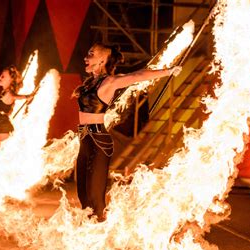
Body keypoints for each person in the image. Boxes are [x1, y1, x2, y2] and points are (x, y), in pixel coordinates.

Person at [73, 43, 182, 222]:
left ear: (102, 60)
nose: (86, 57)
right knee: (83, 195)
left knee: (94, 198)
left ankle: (97, 232)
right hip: (85, 138)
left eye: (91, 54)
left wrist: (168, 71)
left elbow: (138, 75)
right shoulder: (90, 82)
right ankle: (88, 231)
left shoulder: (109, 81)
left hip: (98, 140)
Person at [0, 65, 33, 143]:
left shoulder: (9, 93)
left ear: (10, 80)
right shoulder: (5, 92)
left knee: (3, 150)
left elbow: (15, 96)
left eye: (3, 76)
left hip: (3, 124)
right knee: (2, 149)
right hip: (0, 123)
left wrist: (27, 97)